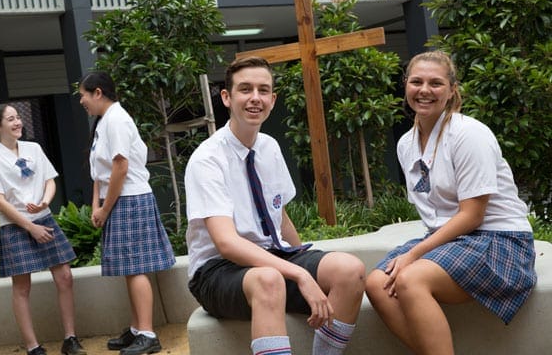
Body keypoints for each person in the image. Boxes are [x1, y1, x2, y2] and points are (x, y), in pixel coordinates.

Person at [184, 56, 366, 355]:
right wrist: (300, 275)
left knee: (350, 269)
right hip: (218, 272)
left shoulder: (269, 147)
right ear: (227, 97)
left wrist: (303, 262)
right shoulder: (208, 159)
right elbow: (227, 244)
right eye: (245, 89)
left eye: (263, 90)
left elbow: (279, 219)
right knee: (269, 279)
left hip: (272, 256)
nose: (255, 98)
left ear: (272, 98)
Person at [365, 50, 537, 355]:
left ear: (451, 90)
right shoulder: (406, 143)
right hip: (448, 241)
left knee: (411, 279)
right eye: (416, 82)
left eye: (436, 83)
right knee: (377, 282)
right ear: (405, 87)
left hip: (499, 240)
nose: (425, 90)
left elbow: (472, 215)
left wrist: (415, 254)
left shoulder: (469, 134)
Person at [77, 71, 176, 355]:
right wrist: (98, 205)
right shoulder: (104, 122)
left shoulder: (117, 119)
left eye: (84, 94)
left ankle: (147, 333)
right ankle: (136, 329)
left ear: (98, 92)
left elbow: (120, 166)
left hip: (129, 199)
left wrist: (105, 208)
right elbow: (101, 171)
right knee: (129, 269)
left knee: (134, 268)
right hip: (119, 199)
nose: (82, 100)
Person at [0, 104, 86, 355]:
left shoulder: (34, 148)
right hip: (15, 226)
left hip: (44, 217)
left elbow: (50, 180)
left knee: (65, 276)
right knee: (22, 287)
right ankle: (33, 347)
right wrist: (29, 226)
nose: (18, 122)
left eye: (18, 117)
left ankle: (70, 339)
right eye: (10, 119)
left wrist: (46, 202)